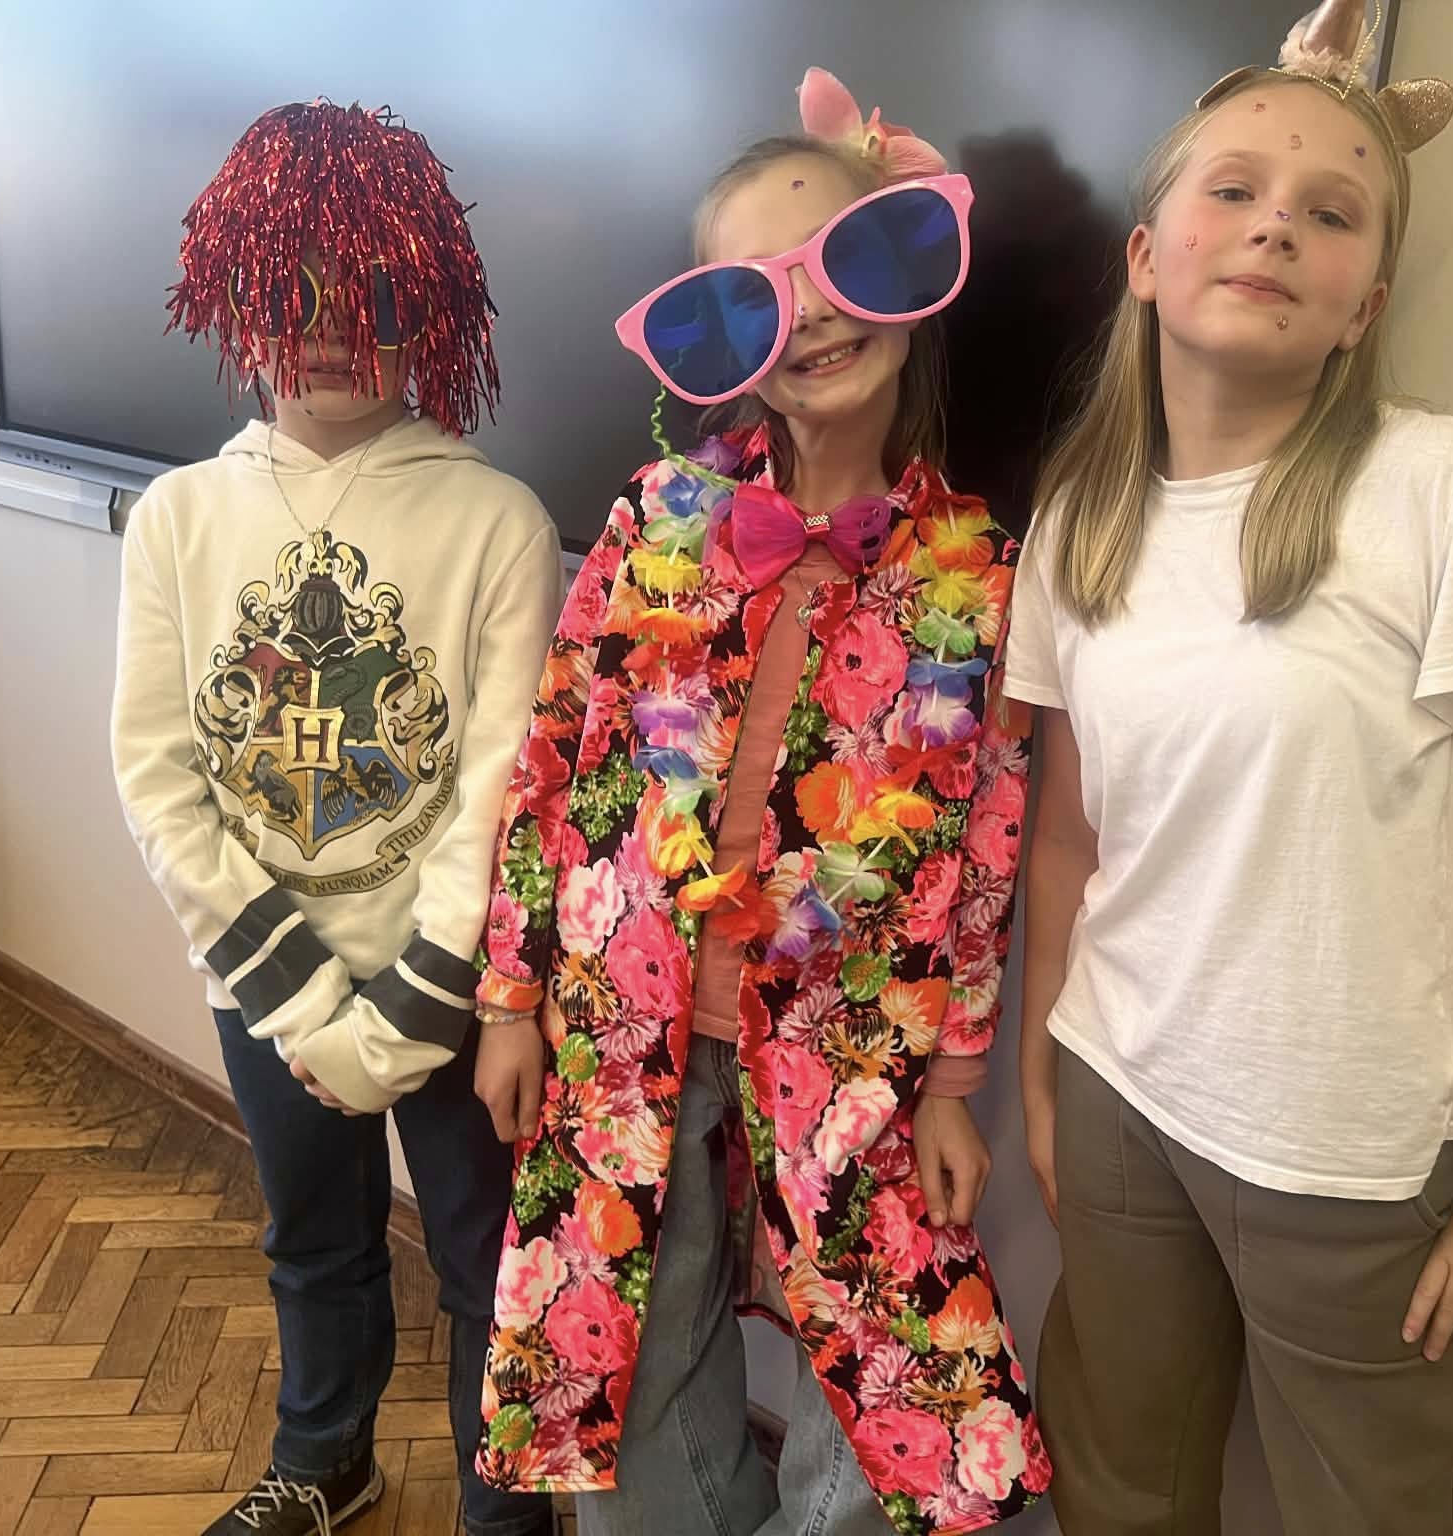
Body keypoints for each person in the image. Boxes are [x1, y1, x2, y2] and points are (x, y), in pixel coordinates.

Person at [1003, 3, 1453, 1531]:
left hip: (1358, 1152)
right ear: (1147, 256)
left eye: (1331, 213)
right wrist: (1042, 1070)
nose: (1276, 226)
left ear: (1366, 305)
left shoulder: (1448, 491)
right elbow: (1071, 839)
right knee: (1121, 1483)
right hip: (1124, 1091)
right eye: (1234, 189)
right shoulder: (1078, 520)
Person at [467, 66, 1050, 1536]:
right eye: (756, 296)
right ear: (723, 341)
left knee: (899, 1394)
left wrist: (955, 1086)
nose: (814, 318)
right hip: (620, 1025)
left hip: (852, 1055)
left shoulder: (980, 575)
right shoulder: (652, 521)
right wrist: (508, 999)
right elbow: (551, 764)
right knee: (630, 1351)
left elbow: (988, 849)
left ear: (907, 274)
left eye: (845, 264)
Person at [111, 99, 563, 1536]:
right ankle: (326, 1461)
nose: (324, 332)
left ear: (427, 303)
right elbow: (157, 772)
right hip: (269, 987)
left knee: (486, 1263)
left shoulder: (498, 522)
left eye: (365, 297)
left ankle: (505, 1512)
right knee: (311, 1242)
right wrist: (306, 1004)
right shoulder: (177, 517)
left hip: (446, 989)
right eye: (289, 291)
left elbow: (500, 780)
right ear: (235, 294)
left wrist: (410, 1009)